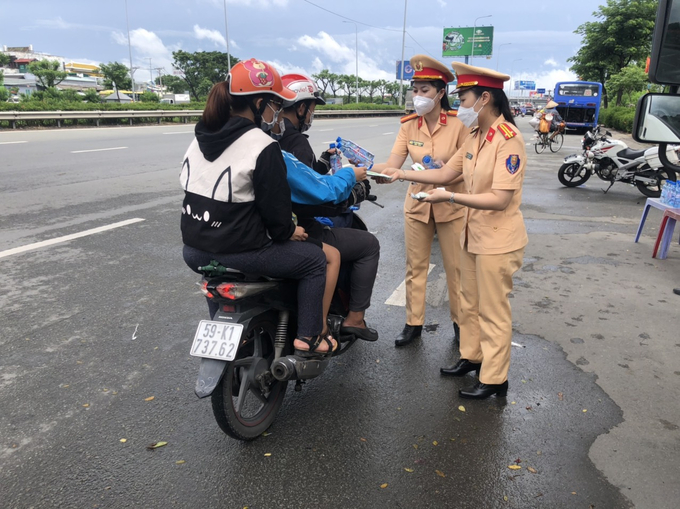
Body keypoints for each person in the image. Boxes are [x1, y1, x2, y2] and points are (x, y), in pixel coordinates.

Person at [380, 62, 528, 399]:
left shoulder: (508, 139)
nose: (460, 105)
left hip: (497, 239)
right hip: (472, 234)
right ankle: (471, 358)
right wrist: (403, 175)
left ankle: (494, 378)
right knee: (469, 301)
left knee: (492, 310)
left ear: (485, 98)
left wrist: (450, 197)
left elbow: (501, 198)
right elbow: (446, 173)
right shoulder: (476, 137)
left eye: (464, 98)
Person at [180, 58, 336, 357]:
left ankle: (228, 336)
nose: (277, 113)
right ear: (260, 102)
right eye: (275, 105)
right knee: (315, 260)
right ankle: (310, 336)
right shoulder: (263, 146)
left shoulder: (199, 138)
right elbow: (277, 217)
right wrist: (291, 231)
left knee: (217, 277)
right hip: (243, 250)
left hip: (194, 251)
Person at [372, 54, 470, 348]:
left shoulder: (458, 124)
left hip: (451, 206)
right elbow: (394, 162)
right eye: (414, 90)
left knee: (456, 269)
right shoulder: (408, 125)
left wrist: (442, 172)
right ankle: (413, 324)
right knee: (415, 267)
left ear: (441, 93)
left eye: (424, 90)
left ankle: (460, 325)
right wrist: (370, 169)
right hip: (417, 205)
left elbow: (464, 168)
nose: (418, 96)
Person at [274, 74, 380, 341]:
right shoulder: (295, 142)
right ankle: (350, 320)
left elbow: (301, 178)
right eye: (311, 107)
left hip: (265, 227)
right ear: (301, 107)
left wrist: (321, 164)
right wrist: (354, 189)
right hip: (298, 227)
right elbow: (317, 196)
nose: (311, 114)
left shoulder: (264, 137)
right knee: (368, 245)